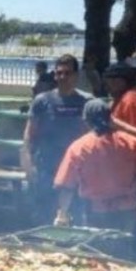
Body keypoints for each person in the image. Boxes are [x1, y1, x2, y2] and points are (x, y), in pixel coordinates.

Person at [52, 99, 136, 232]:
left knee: (95, 251)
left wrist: (62, 214)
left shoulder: (78, 147)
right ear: (111, 118)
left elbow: (67, 186)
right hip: (127, 211)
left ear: (86, 121)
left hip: (94, 215)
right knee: (125, 250)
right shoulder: (132, 143)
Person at [22, 54, 92, 223]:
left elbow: (91, 135)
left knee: (75, 213)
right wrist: (28, 165)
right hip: (46, 167)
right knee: (43, 212)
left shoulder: (86, 102)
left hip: (75, 169)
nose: (62, 77)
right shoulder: (42, 101)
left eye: (67, 73)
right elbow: (29, 136)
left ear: (76, 75)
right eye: (59, 73)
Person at [105, 62, 136, 141]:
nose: (109, 86)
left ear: (123, 81)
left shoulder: (132, 99)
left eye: (112, 82)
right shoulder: (121, 97)